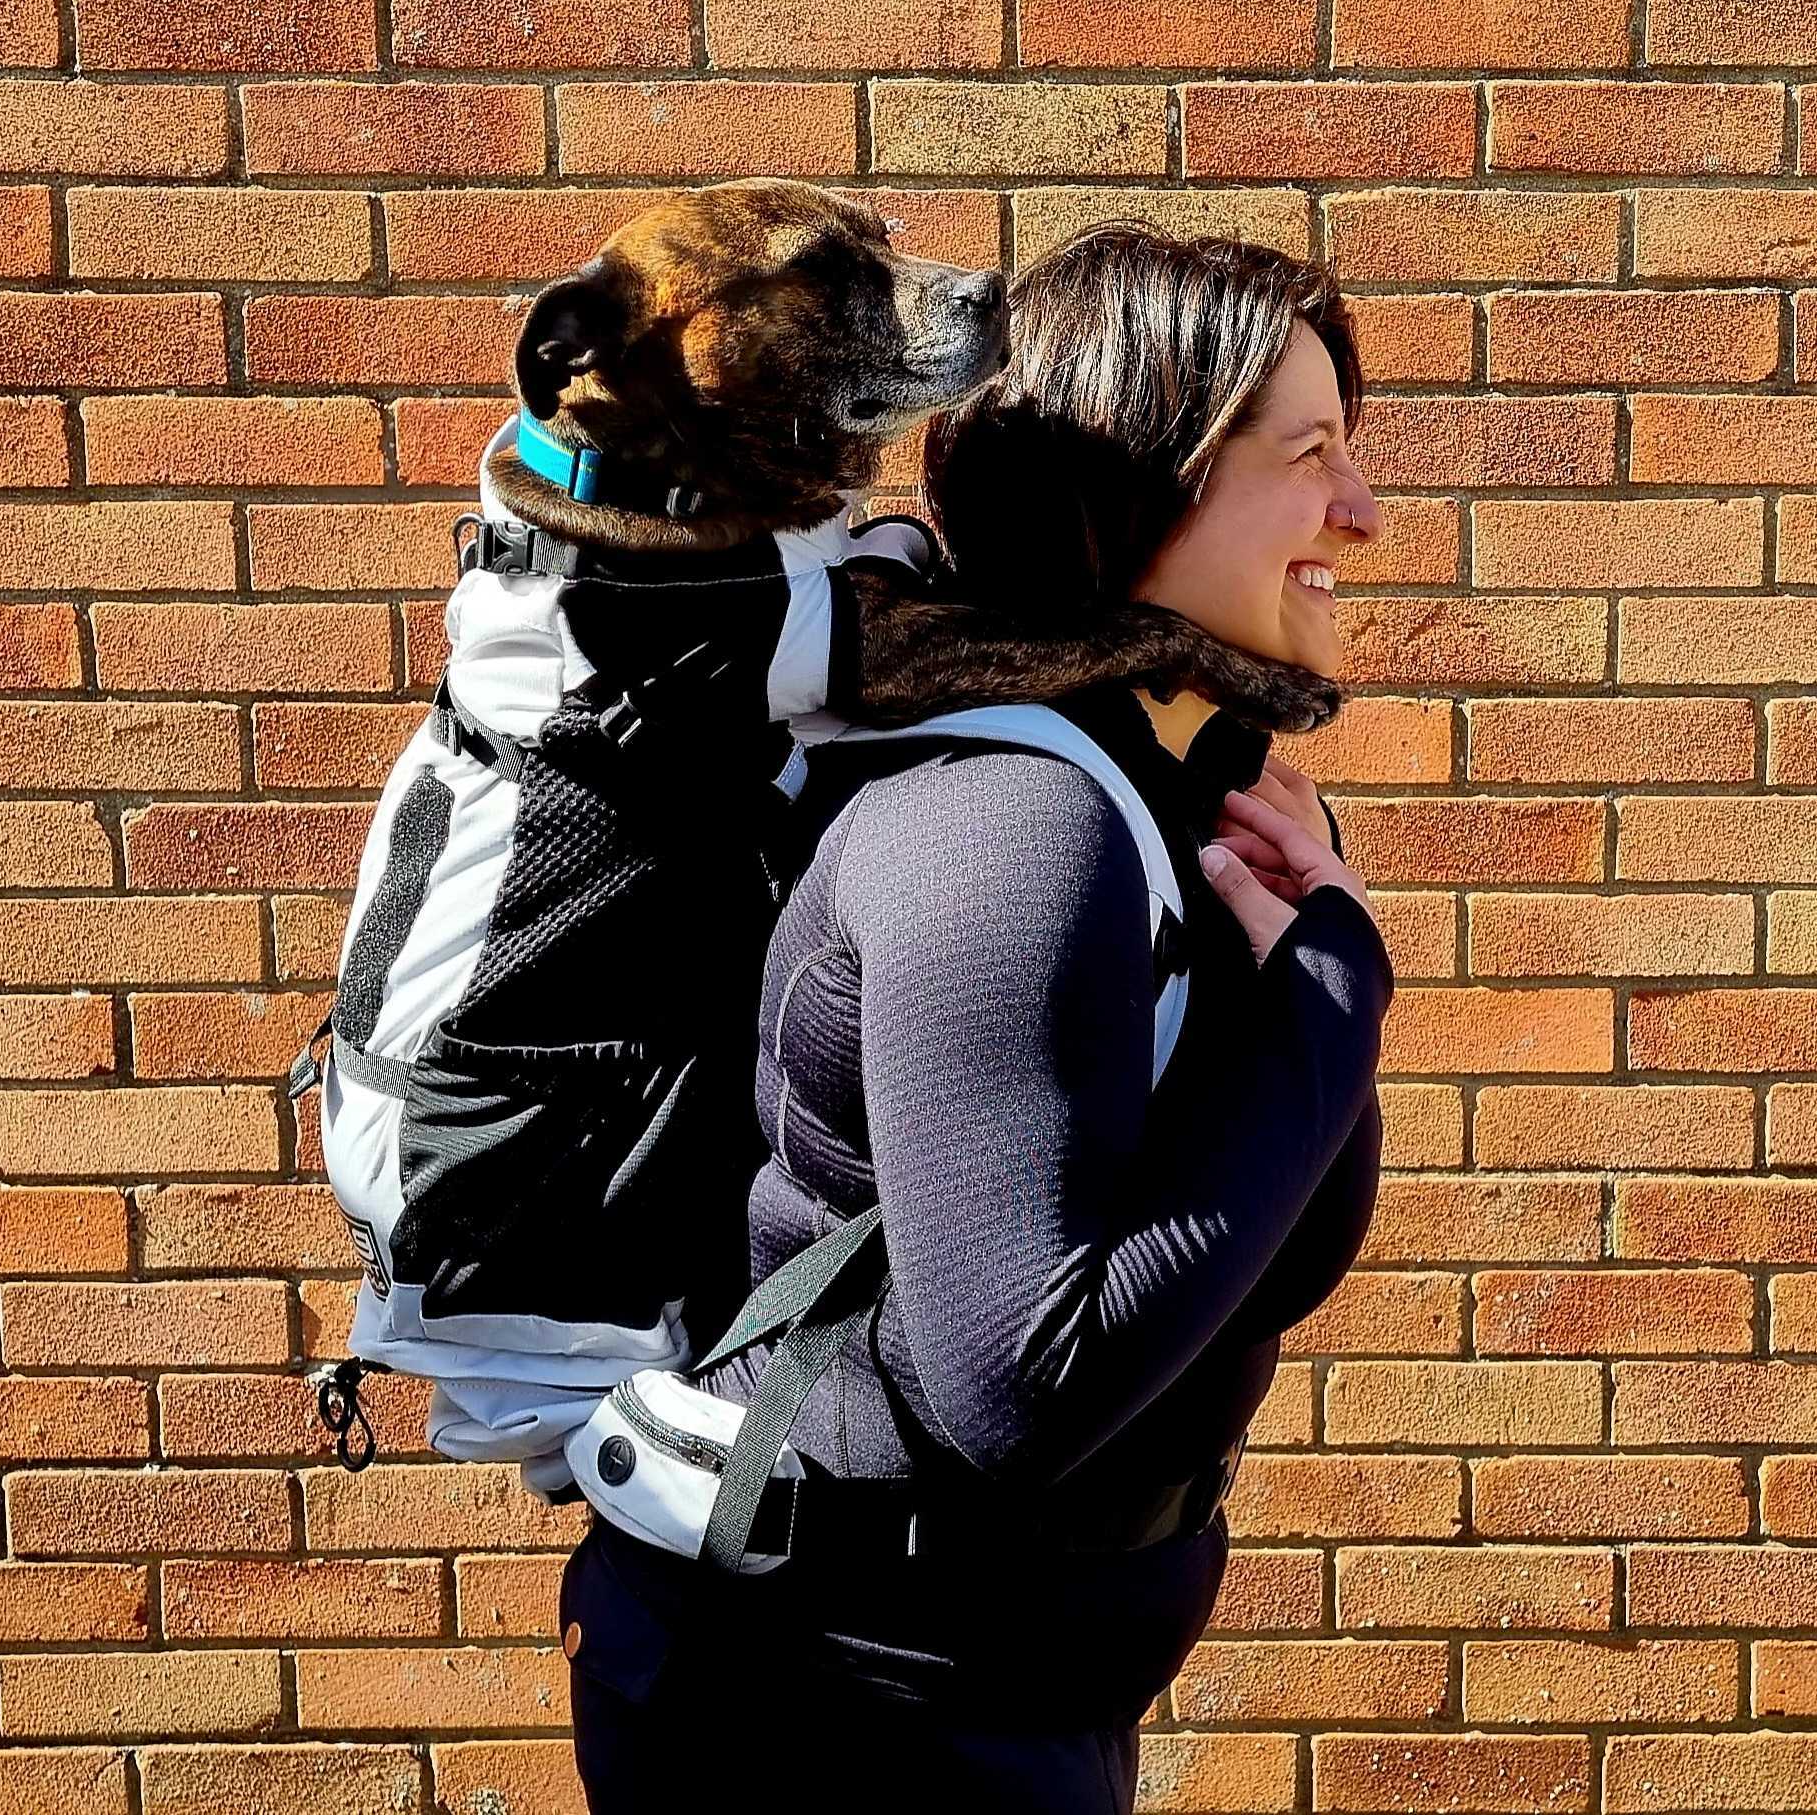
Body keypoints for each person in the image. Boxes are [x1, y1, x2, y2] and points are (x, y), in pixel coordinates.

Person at [556, 223, 1395, 1815]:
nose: (1359, 511)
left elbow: (1247, 1250)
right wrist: (1334, 998)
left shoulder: (1146, 798)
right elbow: (1025, 1388)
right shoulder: (1013, 823)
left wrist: (1298, 999)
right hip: (827, 1722)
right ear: (1140, 485)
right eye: (1309, 457)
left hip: (990, 1700)